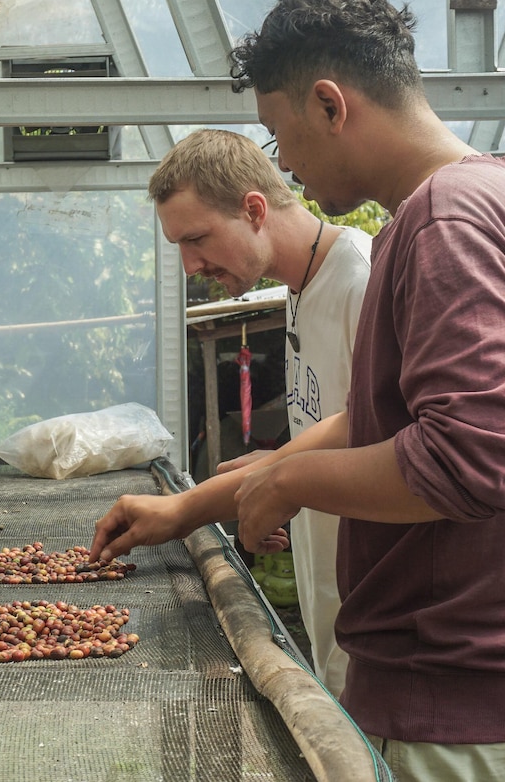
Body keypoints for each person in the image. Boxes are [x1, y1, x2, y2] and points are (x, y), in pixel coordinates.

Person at [90, 0, 505, 781]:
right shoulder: (486, 199)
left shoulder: (445, 223)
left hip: (453, 694)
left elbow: (475, 461)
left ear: (329, 105)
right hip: (503, 677)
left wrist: (291, 476)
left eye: (281, 133)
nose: (283, 160)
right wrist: (244, 485)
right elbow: (391, 420)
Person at [149, 128, 371, 697]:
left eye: (196, 238)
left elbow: (383, 426)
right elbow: (341, 432)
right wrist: (280, 480)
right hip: (343, 627)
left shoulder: (362, 280)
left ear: (253, 209)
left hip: (395, 641)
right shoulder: (299, 290)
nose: (189, 265)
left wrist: (195, 506)